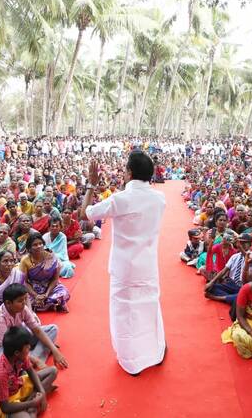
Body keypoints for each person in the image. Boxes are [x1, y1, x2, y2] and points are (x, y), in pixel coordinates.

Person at [81, 151, 167, 376]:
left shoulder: (120, 199)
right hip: (148, 267)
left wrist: (91, 185)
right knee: (149, 308)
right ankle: (155, 351)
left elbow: (85, 214)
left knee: (125, 314)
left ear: (129, 172)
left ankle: (131, 361)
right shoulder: (160, 198)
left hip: (125, 269)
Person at [0, 326, 58, 418]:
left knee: (53, 371)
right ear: (17, 353)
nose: (30, 347)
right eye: (27, 347)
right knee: (27, 417)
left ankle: (31, 401)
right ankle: (32, 407)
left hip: (17, 385)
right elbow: (5, 408)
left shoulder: (21, 356)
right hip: (2, 403)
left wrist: (42, 392)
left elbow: (31, 371)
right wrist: (33, 403)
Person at [0, 284, 67, 370]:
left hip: (20, 339)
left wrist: (54, 350)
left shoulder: (23, 308)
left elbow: (37, 330)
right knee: (7, 362)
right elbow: (10, 347)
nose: (24, 303)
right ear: (8, 303)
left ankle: (28, 362)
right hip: (1, 347)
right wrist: (37, 361)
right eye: (20, 301)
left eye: (25, 299)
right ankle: (33, 360)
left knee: (52, 329)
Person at [18, 231, 70, 312]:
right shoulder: (25, 260)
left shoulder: (51, 257)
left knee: (64, 293)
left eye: (40, 243)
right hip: (33, 288)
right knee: (23, 299)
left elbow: (55, 279)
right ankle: (51, 303)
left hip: (50, 286)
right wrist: (35, 295)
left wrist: (47, 294)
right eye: (35, 245)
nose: (39, 246)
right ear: (29, 248)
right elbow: (24, 282)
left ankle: (44, 303)